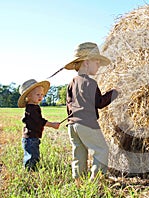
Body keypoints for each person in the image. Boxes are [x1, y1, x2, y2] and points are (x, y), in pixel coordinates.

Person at [64, 42, 118, 183]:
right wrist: (114, 92)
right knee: (101, 150)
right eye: (97, 61)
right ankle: (96, 181)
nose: (99, 65)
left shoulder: (72, 82)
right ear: (87, 63)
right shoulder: (90, 83)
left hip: (72, 125)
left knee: (79, 152)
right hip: (87, 124)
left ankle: (79, 180)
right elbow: (100, 103)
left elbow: (69, 104)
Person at [18, 79, 60, 171]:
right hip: (30, 138)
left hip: (33, 137)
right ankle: (30, 172)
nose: (41, 97)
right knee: (32, 157)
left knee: (34, 155)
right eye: (38, 95)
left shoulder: (33, 107)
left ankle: (31, 170)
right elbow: (39, 121)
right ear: (28, 96)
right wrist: (52, 124)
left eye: (42, 95)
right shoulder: (32, 109)